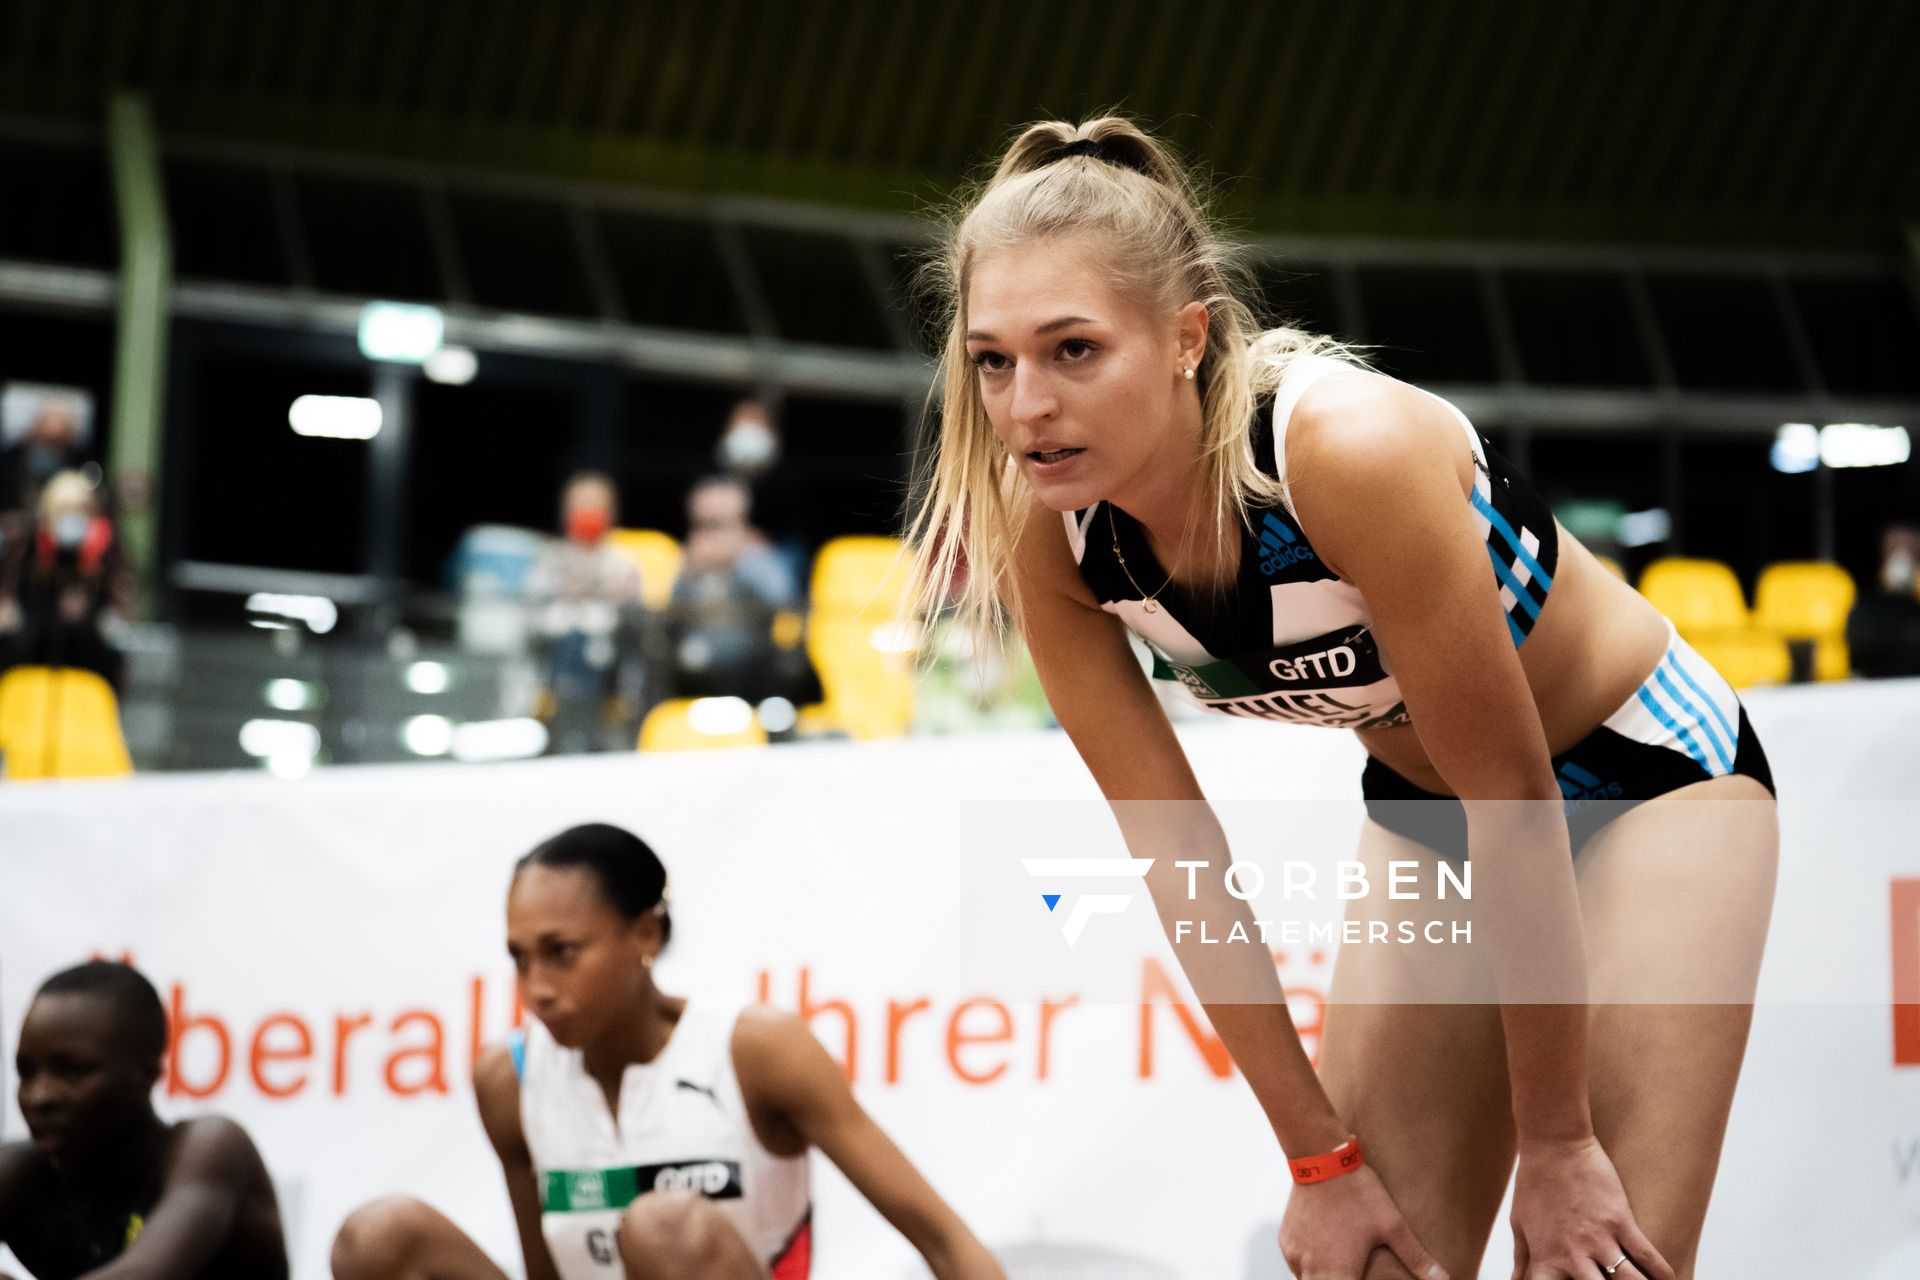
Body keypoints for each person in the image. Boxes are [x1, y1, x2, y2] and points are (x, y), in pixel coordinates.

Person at [905, 118, 1778, 1280]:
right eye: (992, 360)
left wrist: (1558, 1140)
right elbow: (1176, 856)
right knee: (1368, 1259)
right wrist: (1318, 1159)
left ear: (1184, 337)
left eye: (1073, 350)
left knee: (1593, 1256)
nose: (1025, 407)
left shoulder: (1341, 449)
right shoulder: (1048, 536)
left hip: (1649, 772)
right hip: (1433, 813)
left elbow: (1514, 799)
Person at [330, 823, 1002, 1280]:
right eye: (519, 958)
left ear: (645, 933)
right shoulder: (507, 1078)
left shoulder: (756, 1048)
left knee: (663, 1227)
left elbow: (943, 1237)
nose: (536, 989)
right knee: (380, 1235)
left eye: (563, 954)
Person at [0, 961, 288, 1279]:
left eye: (73, 1071)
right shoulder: (19, 1171)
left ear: (147, 1074)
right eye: (26, 1072)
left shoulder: (211, 1148)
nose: (39, 1097)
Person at [527, 474, 644, 753]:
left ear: (610, 513)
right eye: (580, 507)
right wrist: (565, 594)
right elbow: (530, 620)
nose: (588, 514)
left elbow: (637, 624)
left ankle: (593, 741)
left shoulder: (624, 562)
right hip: (555, 669)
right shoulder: (550, 559)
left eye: (595, 506)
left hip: (608, 673)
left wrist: (616, 596)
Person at [668, 476, 804, 703]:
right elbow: (666, 613)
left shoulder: (757, 556)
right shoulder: (684, 560)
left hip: (749, 672)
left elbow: (785, 597)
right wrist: (688, 574)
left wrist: (738, 559)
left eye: (718, 523)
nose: (710, 533)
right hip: (692, 671)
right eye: (702, 524)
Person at [1, 471, 131, 688]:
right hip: (35, 640)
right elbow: (14, 591)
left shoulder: (107, 549)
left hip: (89, 643)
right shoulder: (28, 545)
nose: (71, 516)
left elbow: (120, 595)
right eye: (63, 509)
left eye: (80, 509)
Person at [1846, 524, 1920, 678]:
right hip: (1880, 687)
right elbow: (1859, 648)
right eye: (1894, 546)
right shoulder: (1865, 606)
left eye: (1910, 546)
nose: (1901, 555)